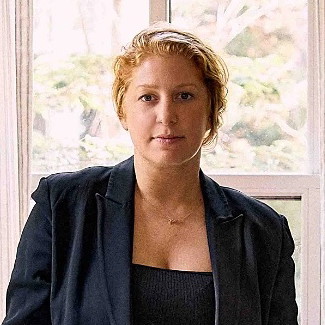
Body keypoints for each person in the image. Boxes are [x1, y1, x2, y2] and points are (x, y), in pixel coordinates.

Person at [2, 25, 298, 325]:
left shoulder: (263, 230)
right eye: (148, 97)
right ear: (123, 110)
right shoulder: (63, 206)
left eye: (184, 95)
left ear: (211, 110)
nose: (166, 115)